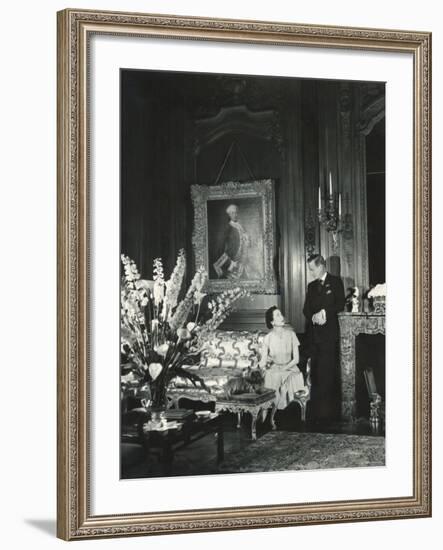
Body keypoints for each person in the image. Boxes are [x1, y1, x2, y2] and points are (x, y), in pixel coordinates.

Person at [303, 254, 345, 424]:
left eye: (312, 269)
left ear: (321, 266)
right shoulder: (311, 286)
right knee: (316, 374)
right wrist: (313, 315)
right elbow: (306, 309)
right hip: (314, 337)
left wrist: (325, 313)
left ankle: (330, 414)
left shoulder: (335, 282)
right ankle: (317, 414)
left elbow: (340, 304)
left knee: (328, 373)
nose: (311, 272)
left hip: (329, 336)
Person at [259, 306, 306, 416]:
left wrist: (284, 368)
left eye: (281, 314)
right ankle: (266, 415)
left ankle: (279, 414)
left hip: (290, 368)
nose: (282, 317)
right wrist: (257, 367)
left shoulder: (291, 334)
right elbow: (263, 361)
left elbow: (296, 359)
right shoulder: (268, 338)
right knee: (271, 376)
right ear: (272, 322)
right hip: (275, 368)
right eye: (278, 315)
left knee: (283, 378)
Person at [213, 204, 251, 279]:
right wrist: (229, 263)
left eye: (236, 212)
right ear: (229, 214)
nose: (235, 215)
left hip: (241, 261)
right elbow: (220, 246)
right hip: (231, 261)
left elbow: (246, 243)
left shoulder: (241, 227)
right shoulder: (227, 227)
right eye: (233, 213)